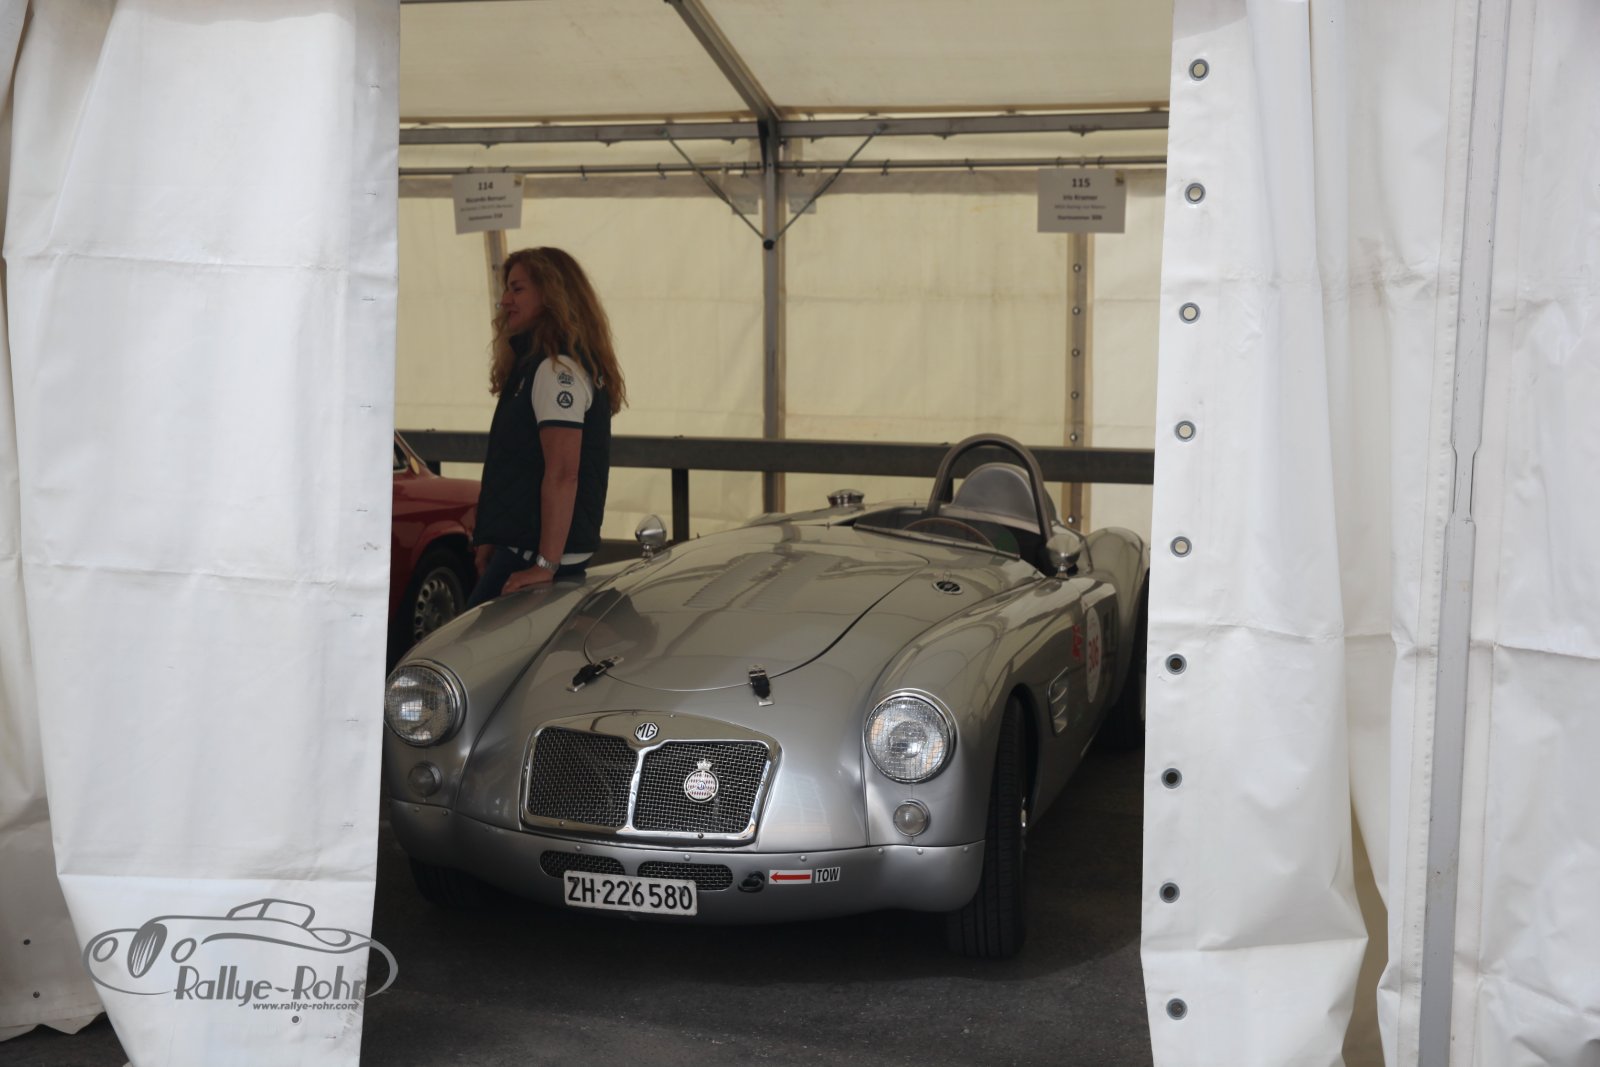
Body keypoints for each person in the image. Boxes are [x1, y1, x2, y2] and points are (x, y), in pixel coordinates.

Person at [466, 247, 627, 607]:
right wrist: (496, 534)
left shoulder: (557, 370)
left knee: (471, 640)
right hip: (526, 548)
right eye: (506, 289)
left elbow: (563, 473)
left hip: (536, 556)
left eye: (517, 289)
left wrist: (545, 565)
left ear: (552, 294)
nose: (505, 300)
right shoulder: (538, 364)